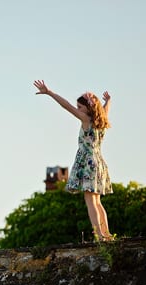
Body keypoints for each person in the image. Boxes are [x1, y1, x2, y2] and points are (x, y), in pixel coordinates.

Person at [34, 80, 114, 241]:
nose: (78, 110)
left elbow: (66, 106)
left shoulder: (86, 120)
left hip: (88, 162)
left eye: (80, 107)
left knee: (90, 201)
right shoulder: (102, 120)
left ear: (88, 108)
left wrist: (50, 93)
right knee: (97, 201)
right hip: (99, 161)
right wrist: (108, 102)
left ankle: (99, 234)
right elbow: (105, 110)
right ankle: (107, 234)